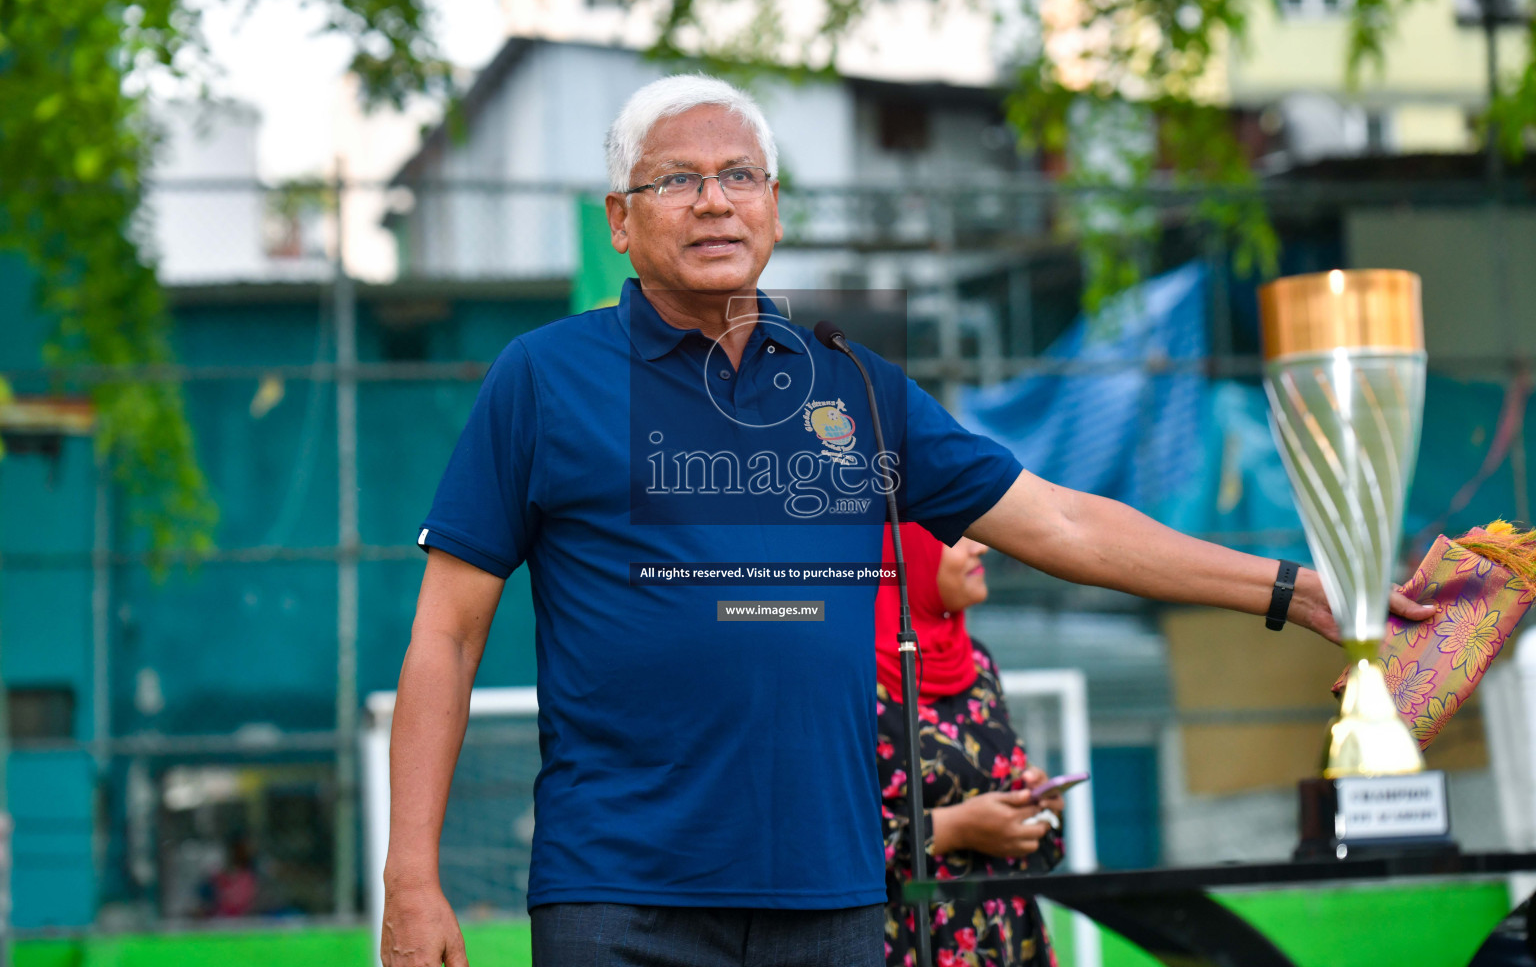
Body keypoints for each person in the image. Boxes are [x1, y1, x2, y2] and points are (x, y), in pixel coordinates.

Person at [381, 73, 1435, 967]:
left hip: (834, 897)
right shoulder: (542, 380)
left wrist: (1293, 586)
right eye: (677, 181)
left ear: (777, 207)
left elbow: (1061, 523)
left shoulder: (855, 388)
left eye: (739, 175)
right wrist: (411, 874)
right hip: (618, 894)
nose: (714, 203)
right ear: (621, 218)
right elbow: (446, 633)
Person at [875, 523, 1063, 967]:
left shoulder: (975, 661)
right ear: (907, 559)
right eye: (955, 535)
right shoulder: (845, 680)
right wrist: (951, 829)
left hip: (1009, 937)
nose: (981, 547)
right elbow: (818, 835)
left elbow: (988, 781)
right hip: (912, 942)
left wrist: (1036, 802)